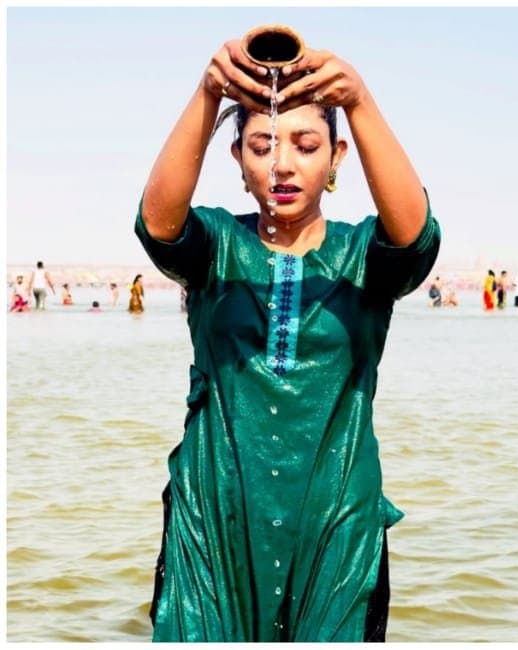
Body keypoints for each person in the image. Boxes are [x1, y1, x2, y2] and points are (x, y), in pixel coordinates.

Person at [135, 28, 440, 642]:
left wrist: (359, 98)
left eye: (306, 145)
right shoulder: (217, 246)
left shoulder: (364, 259)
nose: (282, 164)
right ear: (237, 162)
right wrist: (207, 92)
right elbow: (158, 225)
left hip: (336, 522)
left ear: (336, 157)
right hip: (214, 518)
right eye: (261, 146)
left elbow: (415, 235)